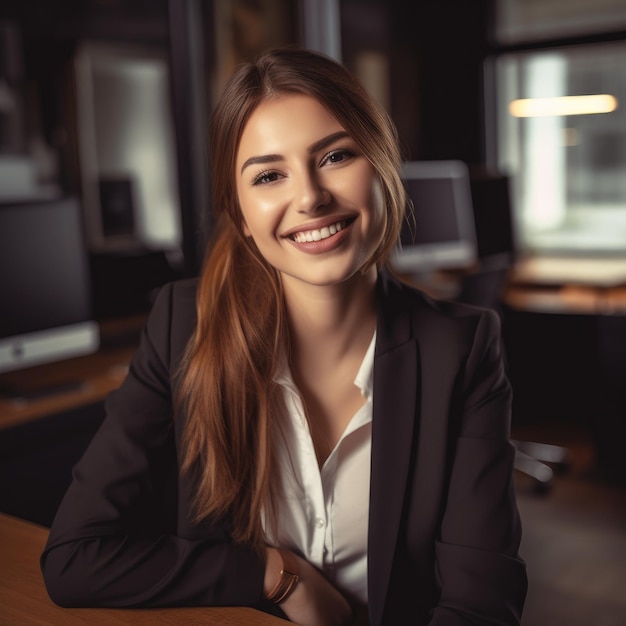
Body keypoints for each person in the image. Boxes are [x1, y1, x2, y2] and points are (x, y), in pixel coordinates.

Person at [41, 47, 527, 625]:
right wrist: (273, 575)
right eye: (269, 175)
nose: (310, 197)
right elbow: (75, 559)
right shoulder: (183, 326)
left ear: (383, 165)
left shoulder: (462, 347)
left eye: (336, 156)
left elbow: (481, 603)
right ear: (242, 213)